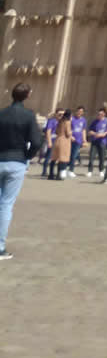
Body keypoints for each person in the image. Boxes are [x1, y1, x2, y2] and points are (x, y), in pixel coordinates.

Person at [0, 83, 44, 259]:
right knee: (6, 205)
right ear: (28, 95)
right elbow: (37, 141)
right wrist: (27, 155)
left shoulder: (1, 114)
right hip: (16, 161)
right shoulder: (28, 116)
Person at [48, 111, 73, 180]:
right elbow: (68, 133)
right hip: (64, 141)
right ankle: (59, 175)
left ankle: (51, 174)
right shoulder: (68, 122)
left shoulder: (60, 121)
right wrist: (71, 132)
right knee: (62, 158)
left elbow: (56, 131)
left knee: (54, 158)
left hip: (57, 139)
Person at [86, 108, 107, 176]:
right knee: (91, 156)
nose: (99, 115)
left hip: (103, 141)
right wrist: (94, 134)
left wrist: (104, 134)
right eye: (98, 114)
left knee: (102, 157)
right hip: (94, 141)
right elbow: (90, 131)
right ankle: (90, 171)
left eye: (101, 114)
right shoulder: (94, 121)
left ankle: (101, 170)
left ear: (104, 114)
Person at [41, 108, 63, 177]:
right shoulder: (51, 121)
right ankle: (44, 171)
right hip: (52, 140)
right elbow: (48, 131)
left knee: (58, 157)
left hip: (59, 141)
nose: (61, 116)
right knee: (49, 156)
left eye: (63, 114)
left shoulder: (62, 122)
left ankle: (56, 172)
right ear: (56, 114)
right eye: (60, 114)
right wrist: (49, 142)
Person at [68, 106, 87, 176]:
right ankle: (66, 168)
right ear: (76, 111)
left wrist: (84, 140)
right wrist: (70, 136)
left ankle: (71, 170)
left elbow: (83, 130)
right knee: (69, 155)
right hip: (71, 139)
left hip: (78, 140)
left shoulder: (83, 120)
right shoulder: (71, 119)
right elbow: (68, 128)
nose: (79, 113)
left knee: (74, 155)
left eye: (81, 112)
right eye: (78, 111)